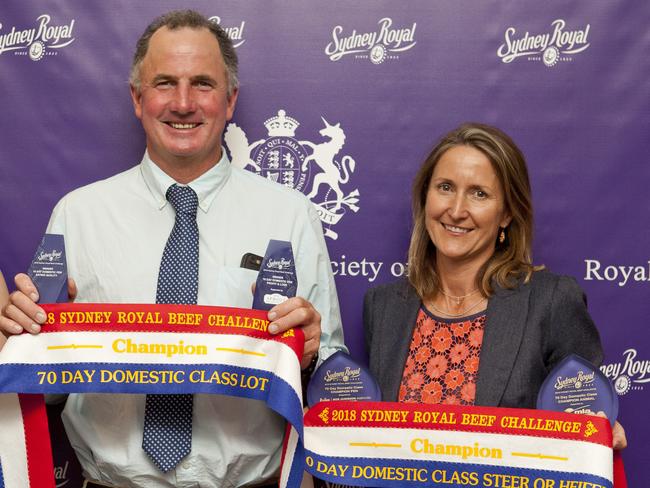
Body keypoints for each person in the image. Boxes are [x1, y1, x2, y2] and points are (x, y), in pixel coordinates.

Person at [0, 10, 345, 487]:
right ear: (137, 99)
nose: (183, 103)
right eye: (164, 83)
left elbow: (329, 376)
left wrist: (307, 357)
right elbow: (47, 390)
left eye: (202, 83)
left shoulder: (291, 215)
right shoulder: (78, 215)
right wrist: (29, 342)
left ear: (230, 100)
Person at [363, 123, 626, 448]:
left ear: (506, 213)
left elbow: (586, 417)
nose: (456, 211)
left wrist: (599, 429)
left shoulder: (552, 300)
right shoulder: (384, 306)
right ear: (425, 196)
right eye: (445, 187)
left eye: (479, 194)